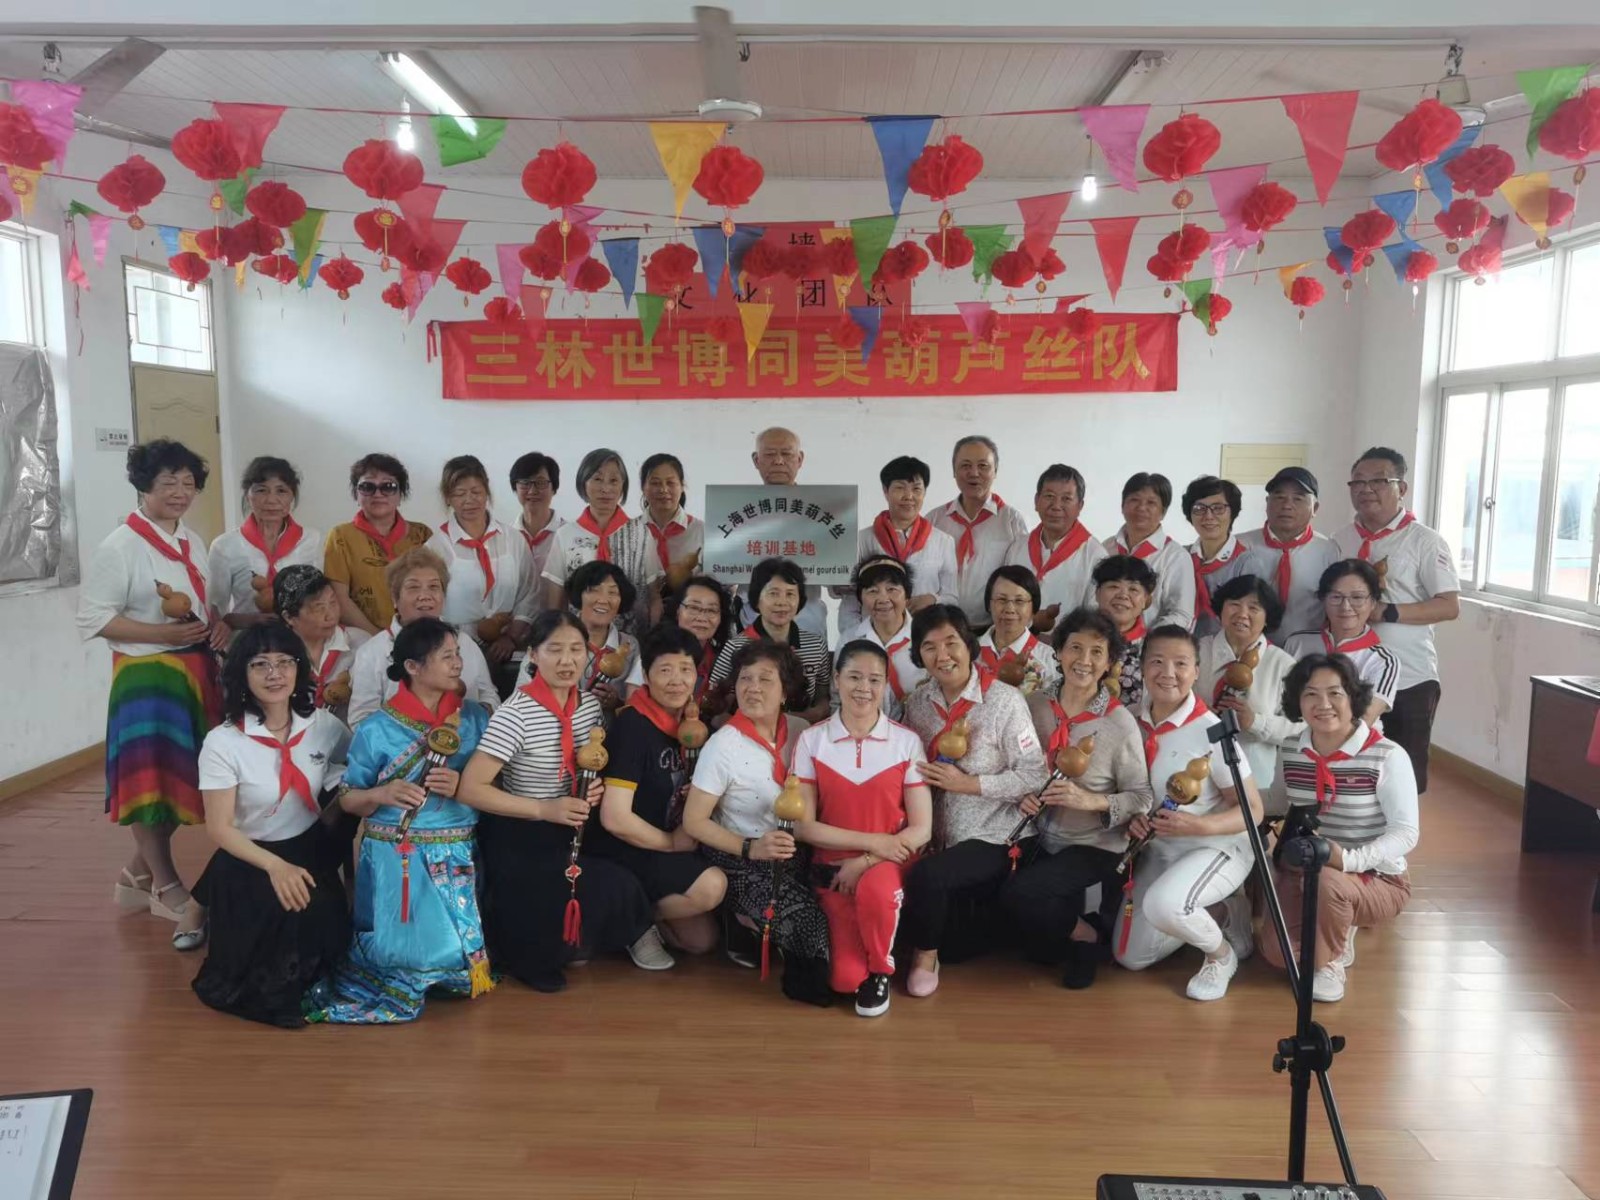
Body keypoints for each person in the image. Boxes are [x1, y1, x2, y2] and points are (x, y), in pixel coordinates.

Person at [78, 439, 229, 947]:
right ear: (144, 485)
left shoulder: (191, 540)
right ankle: (165, 885)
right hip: (146, 678)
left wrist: (215, 626)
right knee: (150, 784)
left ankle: (137, 873)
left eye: (188, 483)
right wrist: (161, 634)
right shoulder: (121, 545)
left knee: (184, 777)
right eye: (168, 482)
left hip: (193, 673)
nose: (180, 492)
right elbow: (95, 618)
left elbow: (201, 604)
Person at [458, 611, 658, 993]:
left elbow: (590, 764)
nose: (567, 661)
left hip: (571, 825)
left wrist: (593, 788)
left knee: (622, 877)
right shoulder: (514, 714)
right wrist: (543, 809)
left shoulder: (589, 707)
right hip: (523, 832)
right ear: (534, 655)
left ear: (589, 655)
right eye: (555, 650)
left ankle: (604, 938)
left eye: (576, 650)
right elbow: (470, 788)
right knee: (564, 906)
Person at [307, 619, 492, 1023]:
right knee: (405, 951)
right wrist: (381, 794)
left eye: (458, 654)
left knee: (450, 951)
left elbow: (494, 782)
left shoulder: (476, 719)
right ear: (412, 666)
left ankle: (444, 975)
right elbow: (349, 798)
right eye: (447, 656)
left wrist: (463, 785)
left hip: (456, 846)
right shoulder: (377, 728)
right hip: (397, 853)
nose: (458, 663)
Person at [191, 624, 352, 1026]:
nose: (275, 674)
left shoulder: (323, 726)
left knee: (324, 930)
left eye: (285, 662)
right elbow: (220, 829)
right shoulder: (223, 742)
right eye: (260, 664)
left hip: (308, 848)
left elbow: (354, 768)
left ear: (299, 669)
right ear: (241, 674)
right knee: (274, 954)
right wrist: (275, 867)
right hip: (251, 856)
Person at [900, 605, 1048, 998]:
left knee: (927, 879)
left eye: (951, 642)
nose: (942, 655)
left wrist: (969, 784)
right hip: (938, 837)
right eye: (929, 647)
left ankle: (925, 958)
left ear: (968, 645)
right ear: (919, 655)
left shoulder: (1004, 701)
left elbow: (1035, 775)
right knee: (953, 938)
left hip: (995, 834)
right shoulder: (918, 704)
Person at [1001, 608, 1151, 988]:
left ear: (1109, 662)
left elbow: (1141, 796)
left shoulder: (1119, 722)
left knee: (1022, 893)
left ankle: (1087, 937)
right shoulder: (1034, 705)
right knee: (1037, 949)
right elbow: (1017, 767)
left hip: (1094, 844)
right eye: (1075, 648)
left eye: (1097, 652)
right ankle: (1079, 929)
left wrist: (1091, 801)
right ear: (1059, 652)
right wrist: (1024, 796)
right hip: (1039, 836)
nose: (1084, 660)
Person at [1113, 625, 1264, 1002]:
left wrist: (1198, 825)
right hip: (1160, 849)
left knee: (1165, 905)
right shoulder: (1128, 721)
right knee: (1131, 957)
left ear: (1196, 671)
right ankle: (1216, 912)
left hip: (1216, 845)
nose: (1168, 672)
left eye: (1181, 664)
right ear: (1142, 667)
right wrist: (1132, 816)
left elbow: (1253, 811)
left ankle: (1220, 955)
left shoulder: (1212, 731)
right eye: (1157, 662)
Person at [1261, 654, 1418, 1002]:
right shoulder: (1292, 749)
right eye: (1311, 694)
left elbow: (1407, 832)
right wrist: (1225, 794)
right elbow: (1276, 800)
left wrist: (1348, 860)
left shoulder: (1388, 755)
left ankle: (1331, 962)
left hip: (1376, 877)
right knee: (1278, 954)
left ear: (1353, 698)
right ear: (1297, 701)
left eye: (1335, 693)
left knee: (1328, 884)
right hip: (1307, 869)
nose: (1323, 704)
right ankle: (1333, 926)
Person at [682, 640, 830, 1005]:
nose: (753, 688)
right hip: (741, 859)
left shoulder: (801, 731)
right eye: (745, 679)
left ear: (785, 691)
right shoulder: (723, 745)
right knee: (809, 925)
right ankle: (742, 920)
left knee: (840, 907)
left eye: (766, 679)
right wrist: (750, 848)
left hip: (797, 852)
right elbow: (693, 821)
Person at [792, 641, 935, 1017]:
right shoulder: (812, 740)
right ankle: (875, 947)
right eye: (854, 677)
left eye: (874, 680)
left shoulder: (906, 742)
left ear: (885, 685)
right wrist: (873, 843)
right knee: (843, 981)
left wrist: (868, 858)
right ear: (836, 679)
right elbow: (803, 827)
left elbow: (922, 829)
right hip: (834, 870)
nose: (864, 688)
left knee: (877, 889)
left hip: (890, 862)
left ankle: (882, 970)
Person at [593, 627, 729, 955]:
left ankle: (637, 919)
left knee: (700, 942)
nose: (677, 681)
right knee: (712, 886)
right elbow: (614, 818)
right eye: (665, 670)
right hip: (626, 847)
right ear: (645, 675)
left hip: (665, 843)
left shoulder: (694, 726)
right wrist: (671, 843)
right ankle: (629, 924)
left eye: (685, 670)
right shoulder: (632, 727)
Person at [1332, 447, 1460, 792]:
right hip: (1350, 676)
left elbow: (1449, 606)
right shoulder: (1341, 539)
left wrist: (1387, 612)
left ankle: (1401, 827)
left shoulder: (1425, 541)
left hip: (1408, 677)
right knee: (1350, 768)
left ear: (1401, 488)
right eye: (1358, 482)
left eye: (1378, 481)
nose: (1366, 489)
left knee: (1403, 774)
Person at [425, 455, 539, 697]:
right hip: (456, 648)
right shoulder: (435, 547)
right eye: (460, 493)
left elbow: (530, 592)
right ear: (448, 497)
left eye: (476, 491)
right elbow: (429, 604)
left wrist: (511, 636)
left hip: (509, 648)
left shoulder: (512, 539)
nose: (469, 500)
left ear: (487, 492)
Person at [347, 548, 500, 726]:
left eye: (434, 587)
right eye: (413, 587)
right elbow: (360, 719)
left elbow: (489, 696)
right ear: (395, 598)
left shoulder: (464, 643)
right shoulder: (371, 652)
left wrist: (474, 721)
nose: (425, 596)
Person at [1196, 575, 1302, 792]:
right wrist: (1195, 710)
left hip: (1254, 781)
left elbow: (1300, 726)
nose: (1242, 614)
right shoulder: (1195, 651)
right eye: (1234, 604)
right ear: (1221, 610)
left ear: (1267, 617)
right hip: (1195, 771)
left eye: (1254, 608)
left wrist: (1255, 722)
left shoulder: (1282, 664)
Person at [837, 455, 958, 630]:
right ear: (885, 491)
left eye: (916, 489)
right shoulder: (862, 540)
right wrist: (856, 635)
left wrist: (933, 599)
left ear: (924, 493)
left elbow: (952, 597)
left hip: (923, 633)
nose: (909, 496)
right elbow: (850, 598)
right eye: (900, 488)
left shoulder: (943, 541)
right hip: (873, 634)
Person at [710, 557, 832, 724]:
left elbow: (823, 693)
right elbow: (715, 707)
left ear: (800, 600)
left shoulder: (816, 645)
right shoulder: (736, 646)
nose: (782, 602)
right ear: (757, 599)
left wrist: (812, 716)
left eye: (790, 594)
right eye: (773, 593)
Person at [322, 452, 432, 635]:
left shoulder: (422, 535)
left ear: (401, 494)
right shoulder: (340, 537)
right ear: (356, 494)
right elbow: (339, 598)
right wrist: (379, 639)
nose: (378, 494)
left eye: (388, 486)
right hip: (362, 638)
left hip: (420, 635)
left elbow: (435, 591)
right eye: (367, 487)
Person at [208, 456, 322, 632]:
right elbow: (215, 610)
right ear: (248, 496)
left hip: (300, 635)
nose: (271, 500)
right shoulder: (224, 546)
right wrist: (249, 620)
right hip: (247, 637)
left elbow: (319, 597)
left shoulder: (312, 540)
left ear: (292, 496)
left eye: (281, 491)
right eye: (261, 490)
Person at [1283, 559, 1400, 726]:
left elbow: (1364, 720)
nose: (1346, 606)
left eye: (1357, 597)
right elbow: (1280, 701)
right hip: (1290, 737)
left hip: (1353, 741)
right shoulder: (1296, 643)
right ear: (1323, 600)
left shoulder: (1383, 661)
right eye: (1336, 597)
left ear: (1373, 603)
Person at [542, 447, 656, 615]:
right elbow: (555, 600)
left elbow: (654, 597)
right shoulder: (566, 534)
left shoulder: (641, 534)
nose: (606, 488)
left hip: (632, 630)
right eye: (597, 479)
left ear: (623, 486)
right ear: (583, 483)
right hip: (579, 630)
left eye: (613, 481)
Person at [518, 560, 641, 713]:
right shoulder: (549, 640)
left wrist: (616, 703)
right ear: (578, 595)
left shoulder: (630, 646)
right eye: (593, 590)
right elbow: (522, 699)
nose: (603, 600)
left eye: (613, 592)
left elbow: (636, 703)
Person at [932, 435, 1030, 627]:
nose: (974, 473)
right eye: (965, 465)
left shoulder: (1012, 521)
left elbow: (1020, 581)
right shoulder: (935, 520)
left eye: (983, 466)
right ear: (954, 471)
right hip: (941, 627)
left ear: (995, 471)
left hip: (992, 629)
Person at [1238, 467, 1341, 645]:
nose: (1287, 505)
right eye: (1279, 497)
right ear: (1267, 503)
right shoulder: (1241, 546)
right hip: (1248, 648)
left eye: (1298, 498)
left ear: (1315, 508)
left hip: (1308, 650)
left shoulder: (1329, 551)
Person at [742, 427, 827, 642]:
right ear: (756, 460)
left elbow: (838, 581)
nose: (779, 461)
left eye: (787, 454)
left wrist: (844, 580)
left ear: (800, 459)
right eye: (770, 454)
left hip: (808, 622)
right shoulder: (736, 511)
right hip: (751, 621)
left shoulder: (825, 511)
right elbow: (721, 574)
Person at [1003, 464, 1105, 628]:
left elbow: (1095, 616)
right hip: (1015, 639)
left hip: (1066, 642)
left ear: (1080, 506)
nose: (1056, 506)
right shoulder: (1018, 546)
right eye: (1049, 496)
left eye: (1066, 499)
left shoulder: (1095, 555)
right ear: (1036, 501)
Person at [623, 574, 738, 708]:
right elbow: (631, 706)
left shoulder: (723, 659)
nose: (702, 617)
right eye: (694, 608)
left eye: (711, 610)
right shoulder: (656, 651)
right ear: (678, 611)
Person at [272, 565, 368, 724]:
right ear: (289, 617)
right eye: (319, 608)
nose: (331, 615)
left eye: (333, 602)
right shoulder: (270, 657)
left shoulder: (362, 645)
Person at [1103, 472, 1195, 631]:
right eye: (1134, 500)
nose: (1141, 508)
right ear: (1122, 506)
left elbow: (1181, 614)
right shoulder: (1106, 547)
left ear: (1163, 512)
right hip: (1102, 639)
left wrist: (1146, 639)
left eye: (1151, 502)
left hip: (1150, 642)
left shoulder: (1176, 557)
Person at [837, 556, 921, 718]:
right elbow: (837, 697)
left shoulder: (924, 637)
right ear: (860, 598)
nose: (883, 599)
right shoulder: (850, 640)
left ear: (907, 596)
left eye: (892, 589)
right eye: (873, 591)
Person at [630, 453, 704, 610]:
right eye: (655, 483)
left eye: (670, 483)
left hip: (689, 617)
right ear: (643, 488)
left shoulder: (702, 531)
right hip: (638, 617)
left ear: (682, 486)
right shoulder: (628, 532)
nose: (663, 489)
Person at [1182, 474, 1251, 639]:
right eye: (1199, 508)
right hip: (1181, 646)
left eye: (1218, 508)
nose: (1208, 516)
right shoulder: (1180, 556)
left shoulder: (1248, 562)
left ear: (1232, 512)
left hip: (1228, 647)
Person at [976, 564, 1061, 697]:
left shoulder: (1049, 659)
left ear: (1033, 608)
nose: (1010, 609)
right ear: (989, 604)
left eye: (1019, 601)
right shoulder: (969, 651)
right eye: (1001, 599)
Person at [1091, 555, 1158, 710]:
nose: (1122, 595)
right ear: (1097, 593)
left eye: (1133, 589)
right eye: (1113, 586)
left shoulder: (1155, 647)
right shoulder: (1075, 636)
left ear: (1145, 600)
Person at [509, 451, 565, 586]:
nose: (532, 491)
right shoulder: (505, 536)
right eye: (525, 482)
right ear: (515, 487)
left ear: (554, 488)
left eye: (541, 482)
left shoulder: (568, 535)